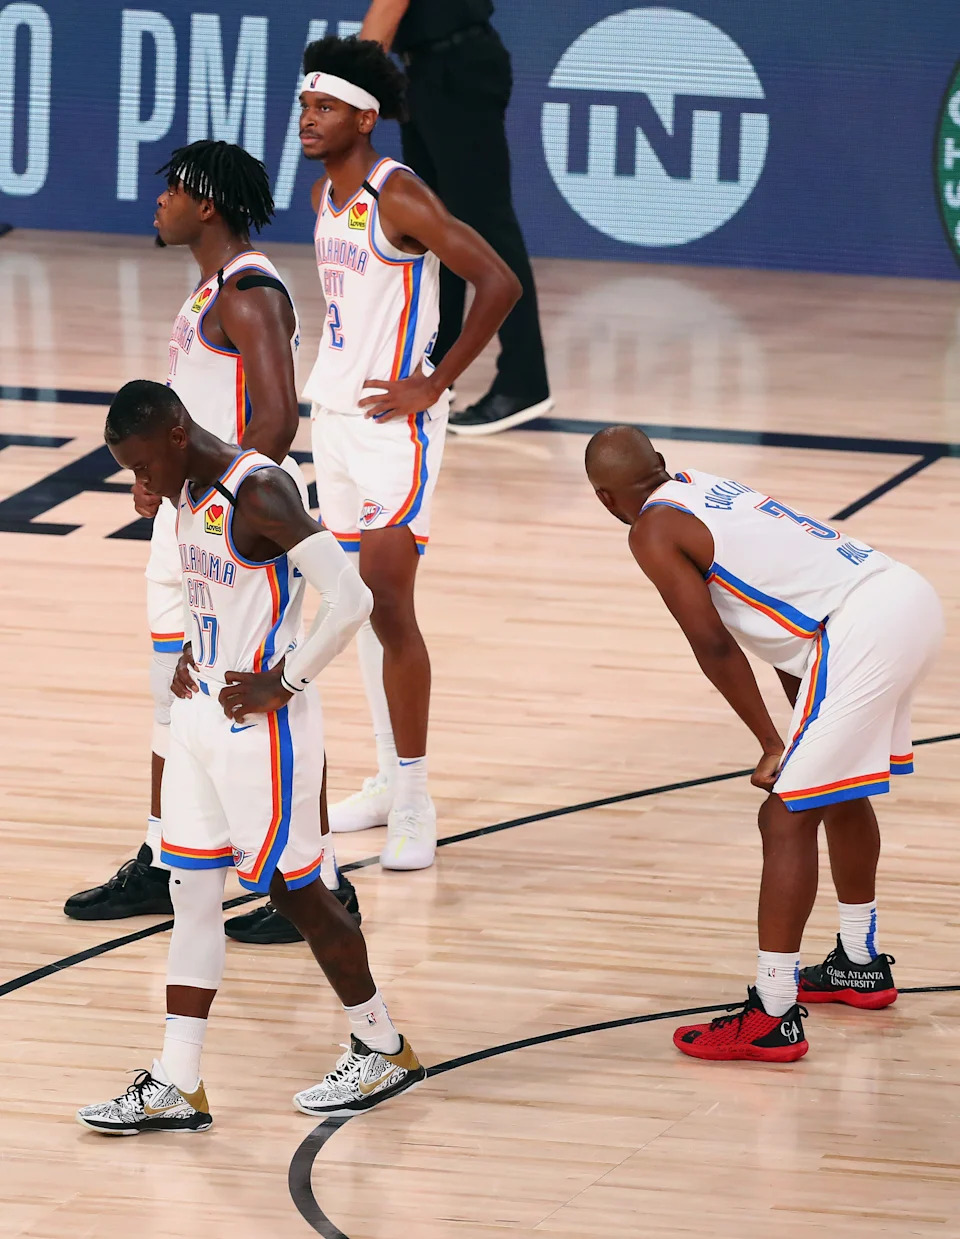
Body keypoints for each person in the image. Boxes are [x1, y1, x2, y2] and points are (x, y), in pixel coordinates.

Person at [77, 381, 425, 1134]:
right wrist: (191, 657)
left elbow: (353, 596)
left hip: (260, 730)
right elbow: (215, 591)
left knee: (296, 893)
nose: (140, 484)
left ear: (176, 433)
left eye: (143, 466)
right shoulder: (184, 488)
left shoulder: (260, 488)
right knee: (190, 893)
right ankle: (178, 1079)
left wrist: (284, 678)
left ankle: (382, 1043)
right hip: (203, 714)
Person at [63, 140, 358, 943]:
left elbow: (275, 420)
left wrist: (213, 503)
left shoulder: (251, 289)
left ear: (209, 204)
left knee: (265, 688)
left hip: (234, 527)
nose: (159, 202)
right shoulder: (211, 287)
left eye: (173, 191)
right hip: (188, 516)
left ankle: (323, 875)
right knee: (177, 688)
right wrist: (162, 476)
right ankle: (166, 856)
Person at [585, 425, 943, 1063]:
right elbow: (783, 622)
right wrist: (799, 730)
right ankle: (859, 962)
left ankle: (773, 1013)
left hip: (859, 629)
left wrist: (771, 741)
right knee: (835, 785)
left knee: (784, 814)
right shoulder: (703, 487)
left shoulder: (651, 530)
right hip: (900, 597)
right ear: (661, 465)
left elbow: (713, 643)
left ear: (605, 498)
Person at [298, 36, 521, 868]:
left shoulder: (401, 195)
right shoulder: (328, 194)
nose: (307, 120)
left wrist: (435, 382)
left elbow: (498, 280)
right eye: (303, 106)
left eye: (323, 108)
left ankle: (418, 801)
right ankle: (391, 774)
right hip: (337, 421)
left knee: (392, 609)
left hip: (396, 433)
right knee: (353, 604)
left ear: (366, 115)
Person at [359, 0, 550, 436]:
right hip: (426, 73)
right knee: (433, 229)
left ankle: (524, 382)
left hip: (455, 70)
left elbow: (389, 6)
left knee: (484, 223)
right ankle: (436, 373)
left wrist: (348, 80)